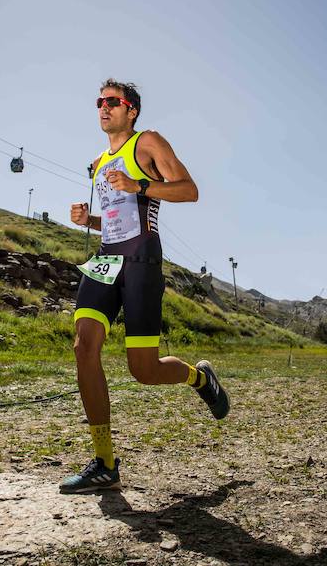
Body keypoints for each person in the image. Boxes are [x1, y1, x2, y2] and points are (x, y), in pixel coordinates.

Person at [61, 79, 230, 494]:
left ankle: (198, 377)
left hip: (141, 260)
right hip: (105, 257)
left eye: (112, 102)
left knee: (144, 370)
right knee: (84, 345)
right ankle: (104, 462)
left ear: (131, 110)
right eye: (99, 102)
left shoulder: (148, 142)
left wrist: (139, 184)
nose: (104, 107)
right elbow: (119, 215)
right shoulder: (99, 162)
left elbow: (189, 191)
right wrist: (90, 221)